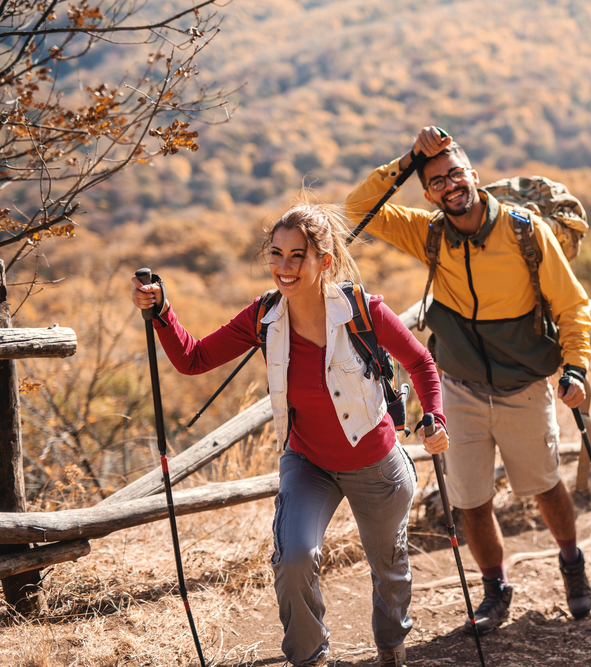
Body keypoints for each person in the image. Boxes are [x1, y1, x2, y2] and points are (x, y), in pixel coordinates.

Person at [131, 204, 448, 667]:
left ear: (327, 260)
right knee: (293, 557)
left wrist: (433, 419)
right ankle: (310, 656)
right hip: (309, 462)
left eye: (298, 255)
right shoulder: (264, 315)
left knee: (389, 568)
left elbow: (422, 363)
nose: (284, 267)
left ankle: (391, 648)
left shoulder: (364, 311)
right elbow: (193, 359)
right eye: (276, 254)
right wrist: (161, 310)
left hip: (374, 463)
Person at [345, 127, 591, 633]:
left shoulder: (525, 231)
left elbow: (571, 307)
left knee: (545, 485)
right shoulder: (429, 231)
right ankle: (495, 589)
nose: (449, 186)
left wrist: (574, 367)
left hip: (524, 383)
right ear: (427, 192)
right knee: (471, 498)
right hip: (458, 384)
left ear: (475, 177)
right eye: (437, 181)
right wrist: (411, 157)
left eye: (456, 174)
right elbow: (356, 208)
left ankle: (571, 561)